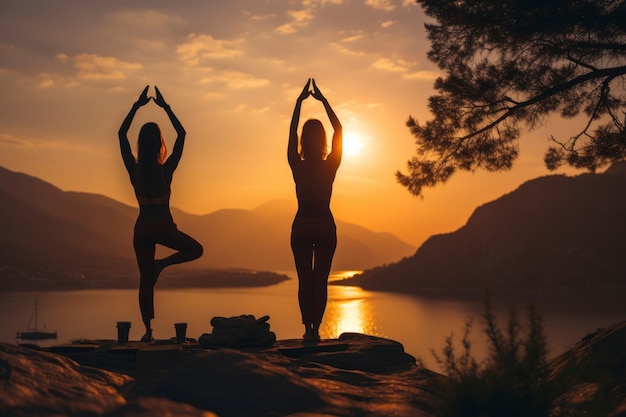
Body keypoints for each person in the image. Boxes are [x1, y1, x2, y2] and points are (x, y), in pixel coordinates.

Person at [118, 85, 203, 341]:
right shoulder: (165, 171)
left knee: (145, 280)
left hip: (142, 228)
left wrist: (136, 106)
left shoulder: (135, 171)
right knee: (196, 250)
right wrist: (166, 107)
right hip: (164, 228)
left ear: (141, 144)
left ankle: (147, 331)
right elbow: (183, 134)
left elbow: (121, 134)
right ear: (159, 143)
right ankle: (161, 265)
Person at [288, 78, 342, 342]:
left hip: (302, 224)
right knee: (320, 280)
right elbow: (339, 129)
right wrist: (323, 101)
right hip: (323, 224)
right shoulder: (329, 165)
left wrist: (299, 104)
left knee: (304, 280)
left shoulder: (297, 165)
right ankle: (316, 330)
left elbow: (291, 132)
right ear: (321, 141)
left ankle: (306, 328)